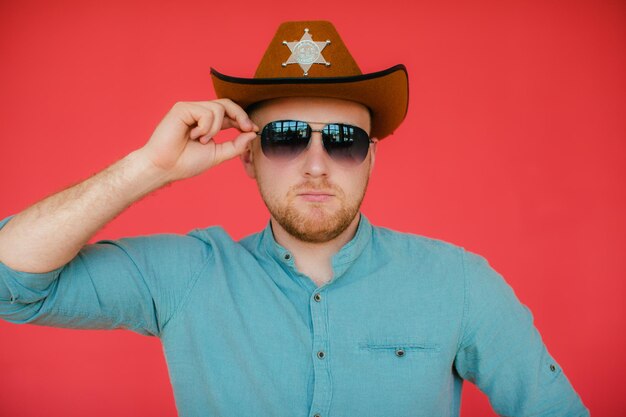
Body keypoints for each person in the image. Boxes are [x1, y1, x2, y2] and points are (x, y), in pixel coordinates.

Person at [0, 20, 588, 417]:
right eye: (284, 138)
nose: (315, 164)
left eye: (342, 140)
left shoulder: (459, 283)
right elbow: (12, 284)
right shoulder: (188, 276)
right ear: (249, 156)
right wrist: (149, 168)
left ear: (370, 158)